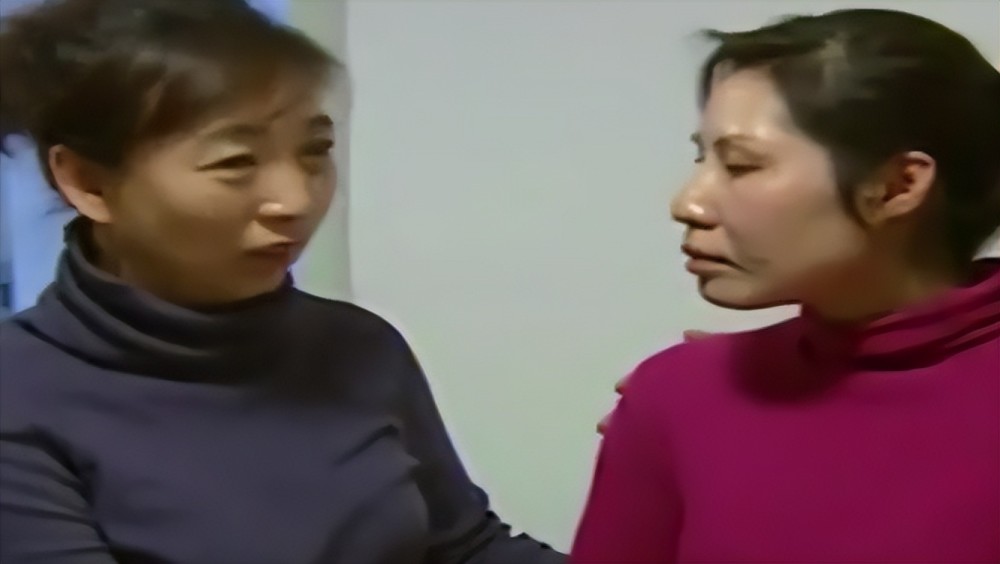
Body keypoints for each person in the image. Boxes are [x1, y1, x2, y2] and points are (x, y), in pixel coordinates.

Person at [0, 1, 565, 563]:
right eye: (235, 162)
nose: (295, 200)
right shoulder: (19, 389)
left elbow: (465, 548)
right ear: (88, 183)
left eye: (315, 152)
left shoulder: (359, 346)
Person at [572, 9, 1000, 563]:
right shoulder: (676, 398)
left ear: (897, 185)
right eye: (703, 158)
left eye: (741, 166)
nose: (688, 204)